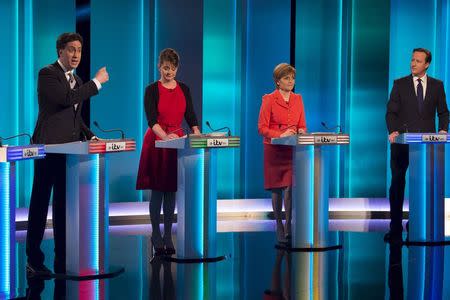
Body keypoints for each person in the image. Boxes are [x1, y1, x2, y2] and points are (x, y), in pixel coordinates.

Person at [26, 32, 109, 276]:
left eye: (79, 50)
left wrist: (90, 135)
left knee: (63, 205)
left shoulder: (77, 79)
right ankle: (33, 260)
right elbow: (65, 100)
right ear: (60, 51)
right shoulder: (47, 74)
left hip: (70, 151)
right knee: (40, 205)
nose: (76, 55)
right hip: (48, 148)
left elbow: (74, 117)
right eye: (71, 49)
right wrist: (96, 83)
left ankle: (63, 258)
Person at [136, 48, 201, 256]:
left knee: (171, 191)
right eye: (165, 68)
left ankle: (167, 235)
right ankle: (156, 234)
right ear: (159, 66)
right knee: (158, 191)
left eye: (172, 68)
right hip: (157, 140)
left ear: (177, 68)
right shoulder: (151, 90)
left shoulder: (184, 89)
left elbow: (191, 116)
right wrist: (165, 138)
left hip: (178, 142)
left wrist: (197, 134)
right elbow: (152, 120)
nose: (169, 72)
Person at [385, 48, 449, 242]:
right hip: (402, 143)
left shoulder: (437, 85)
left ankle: (418, 223)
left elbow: (444, 112)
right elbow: (391, 113)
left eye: (418, 61)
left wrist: (443, 130)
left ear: (427, 64)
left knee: (422, 184)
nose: (413, 63)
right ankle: (395, 226)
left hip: (425, 147)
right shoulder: (399, 84)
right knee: (397, 183)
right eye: (412, 60)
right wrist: (393, 131)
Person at [258, 63, 307, 245]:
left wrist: (301, 131)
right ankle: (278, 223)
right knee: (277, 188)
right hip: (274, 149)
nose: (291, 81)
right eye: (287, 78)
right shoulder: (269, 99)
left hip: (291, 149)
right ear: (278, 81)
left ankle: (288, 224)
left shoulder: (298, 99)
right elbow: (262, 128)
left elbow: (302, 124)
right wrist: (280, 134)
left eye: (292, 78)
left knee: (289, 186)